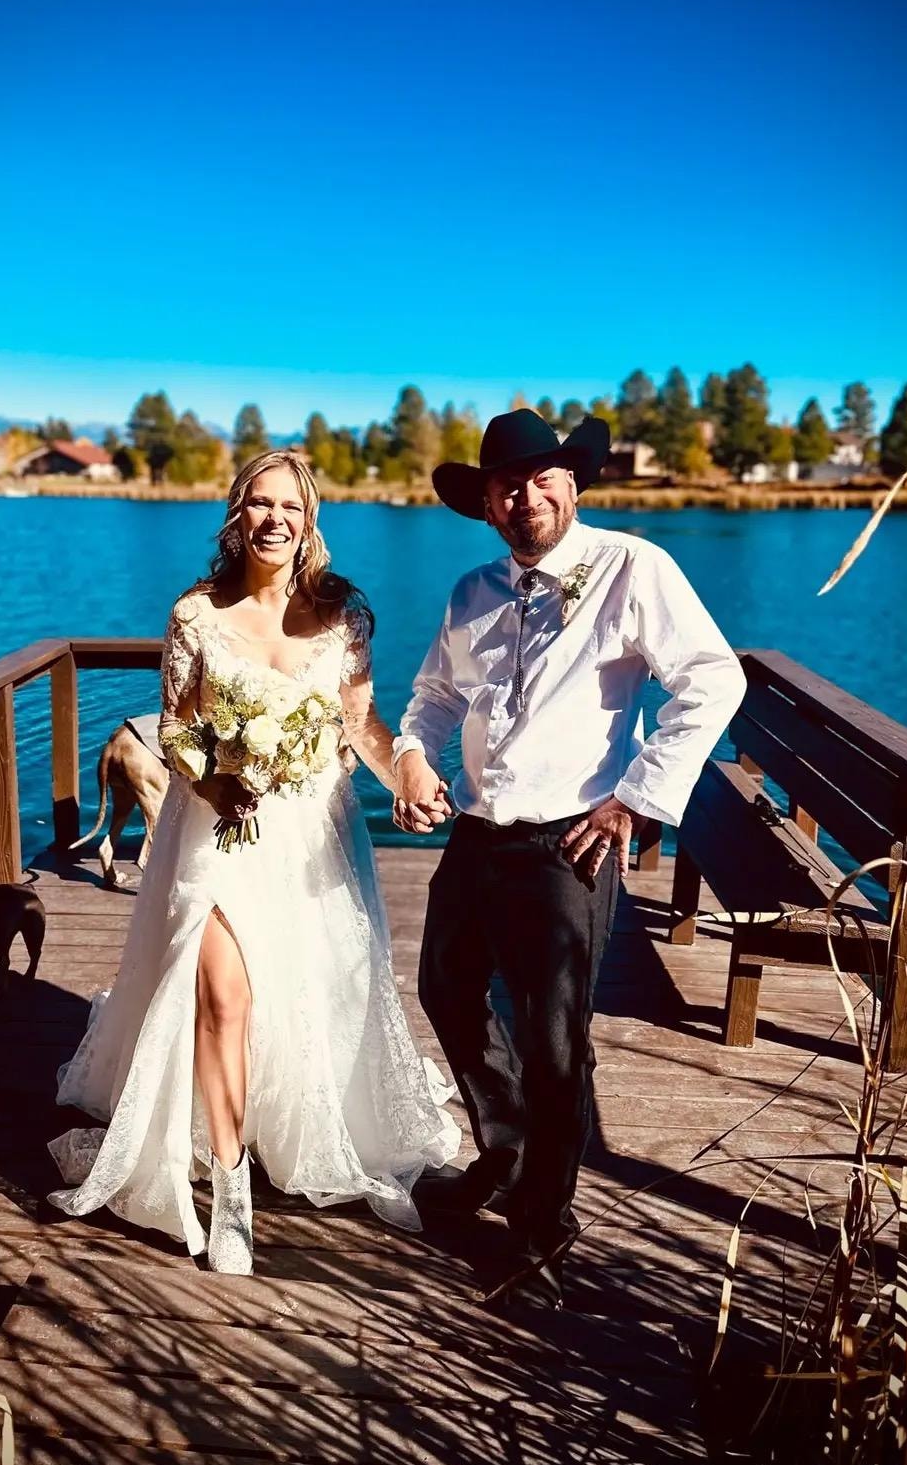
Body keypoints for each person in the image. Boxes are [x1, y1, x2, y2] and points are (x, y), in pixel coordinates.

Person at [48, 450, 458, 1274]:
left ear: (310, 522)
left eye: (291, 507)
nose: (276, 519)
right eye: (261, 504)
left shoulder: (343, 615)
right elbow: (175, 728)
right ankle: (230, 1186)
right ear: (238, 514)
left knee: (309, 991)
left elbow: (359, 725)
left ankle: (285, 1128)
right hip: (216, 830)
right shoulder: (195, 613)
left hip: (312, 835)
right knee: (224, 996)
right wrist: (215, 778)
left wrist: (408, 774)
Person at [393, 408, 746, 1314]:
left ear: (573, 485)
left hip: (569, 844)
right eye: (506, 486)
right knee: (445, 990)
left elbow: (714, 679)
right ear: (486, 505)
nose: (526, 497)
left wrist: (638, 795)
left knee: (555, 1043)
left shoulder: (632, 568)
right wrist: (415, 755)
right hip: (478, 828)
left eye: (542, 478)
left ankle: (543, 1229)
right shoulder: (472, 590)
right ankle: (508, 1157)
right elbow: (434, 694)